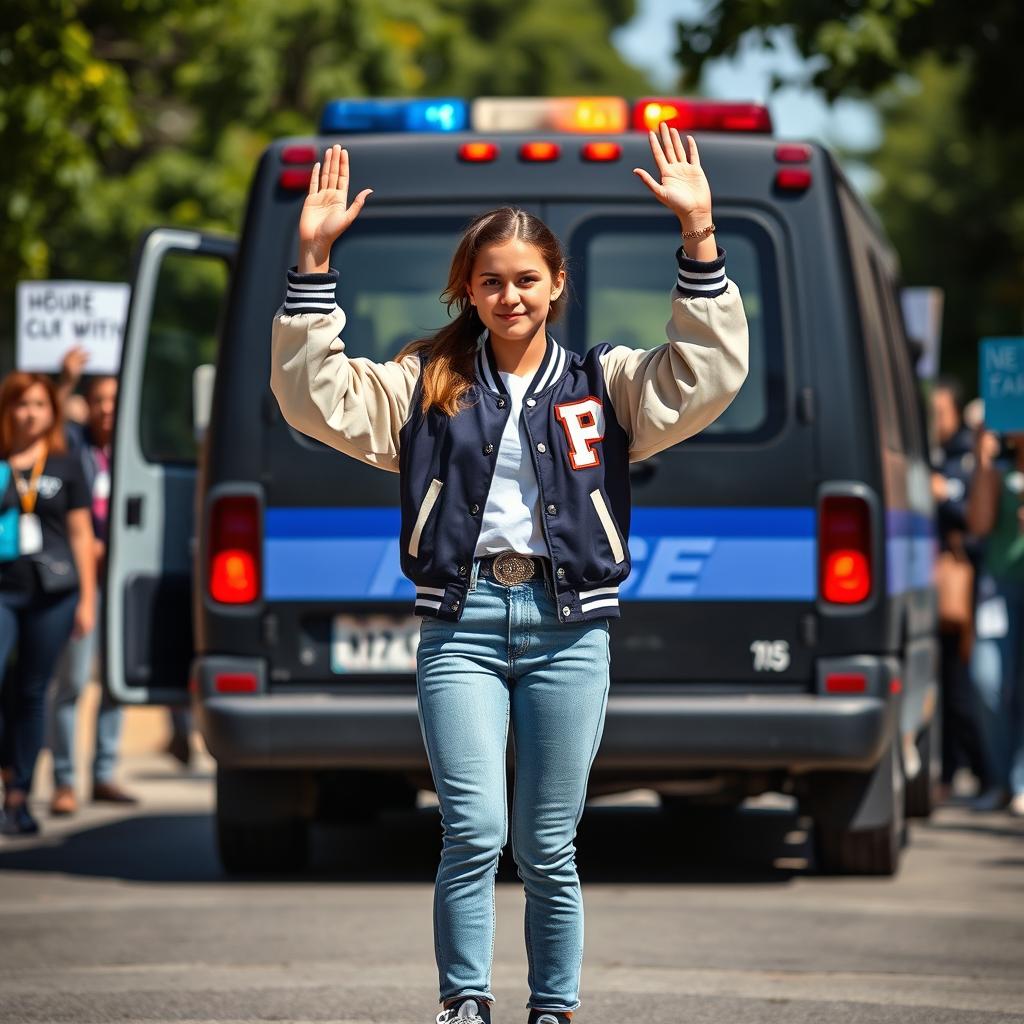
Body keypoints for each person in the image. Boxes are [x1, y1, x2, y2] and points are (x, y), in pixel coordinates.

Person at [271, 128, 748, 1024]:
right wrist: (313, 260)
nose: (508, 295)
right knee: (474, 832)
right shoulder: (426, 383)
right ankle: (465, 1002)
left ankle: (554, 1008)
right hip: (462, 623)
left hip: (571, 628)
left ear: (557, 285)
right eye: (490, 280)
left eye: (526, 278)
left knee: (549, 843)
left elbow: (707, 376)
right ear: (467, 289)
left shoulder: (602, 380)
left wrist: (700, 237)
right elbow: (314, 396)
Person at [0, 373, 96, 835]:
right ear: (7, 410)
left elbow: (81, 535)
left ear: (51, 412)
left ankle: (17, 794)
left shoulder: (65, 462)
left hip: (53, 593)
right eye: (21, 404)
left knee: (33, 691)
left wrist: (88, 601)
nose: (30, 413)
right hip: (4, 589)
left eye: (39, 404)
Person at [46, 357, 137, 815]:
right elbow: (52, 417)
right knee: (73, 681)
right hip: (81, 581)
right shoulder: (73, 446)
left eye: (114, 401)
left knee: (116, 681)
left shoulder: (130, 449)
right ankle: (64, 780)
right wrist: (65, 380)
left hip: (120, 579)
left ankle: (104, 773)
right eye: (98, 400)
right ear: (87, 405)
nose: (106, 409)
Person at [930, 377, 988, 798]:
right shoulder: (937, 455)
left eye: (940, 412)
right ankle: (954, 772)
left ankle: (983, 772)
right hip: (941, 577)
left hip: (966, 581)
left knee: (965, 682)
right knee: (951, 680)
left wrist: (943, 495)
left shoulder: (968, 456)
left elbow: (974, 519)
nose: (935, 421)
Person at [966, 425, 1024, 816]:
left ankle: (1020, 780)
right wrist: (984, 462)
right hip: (998, 589)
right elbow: (979, 525)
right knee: (985, 679)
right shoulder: (999, 470)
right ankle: (1001, 780)